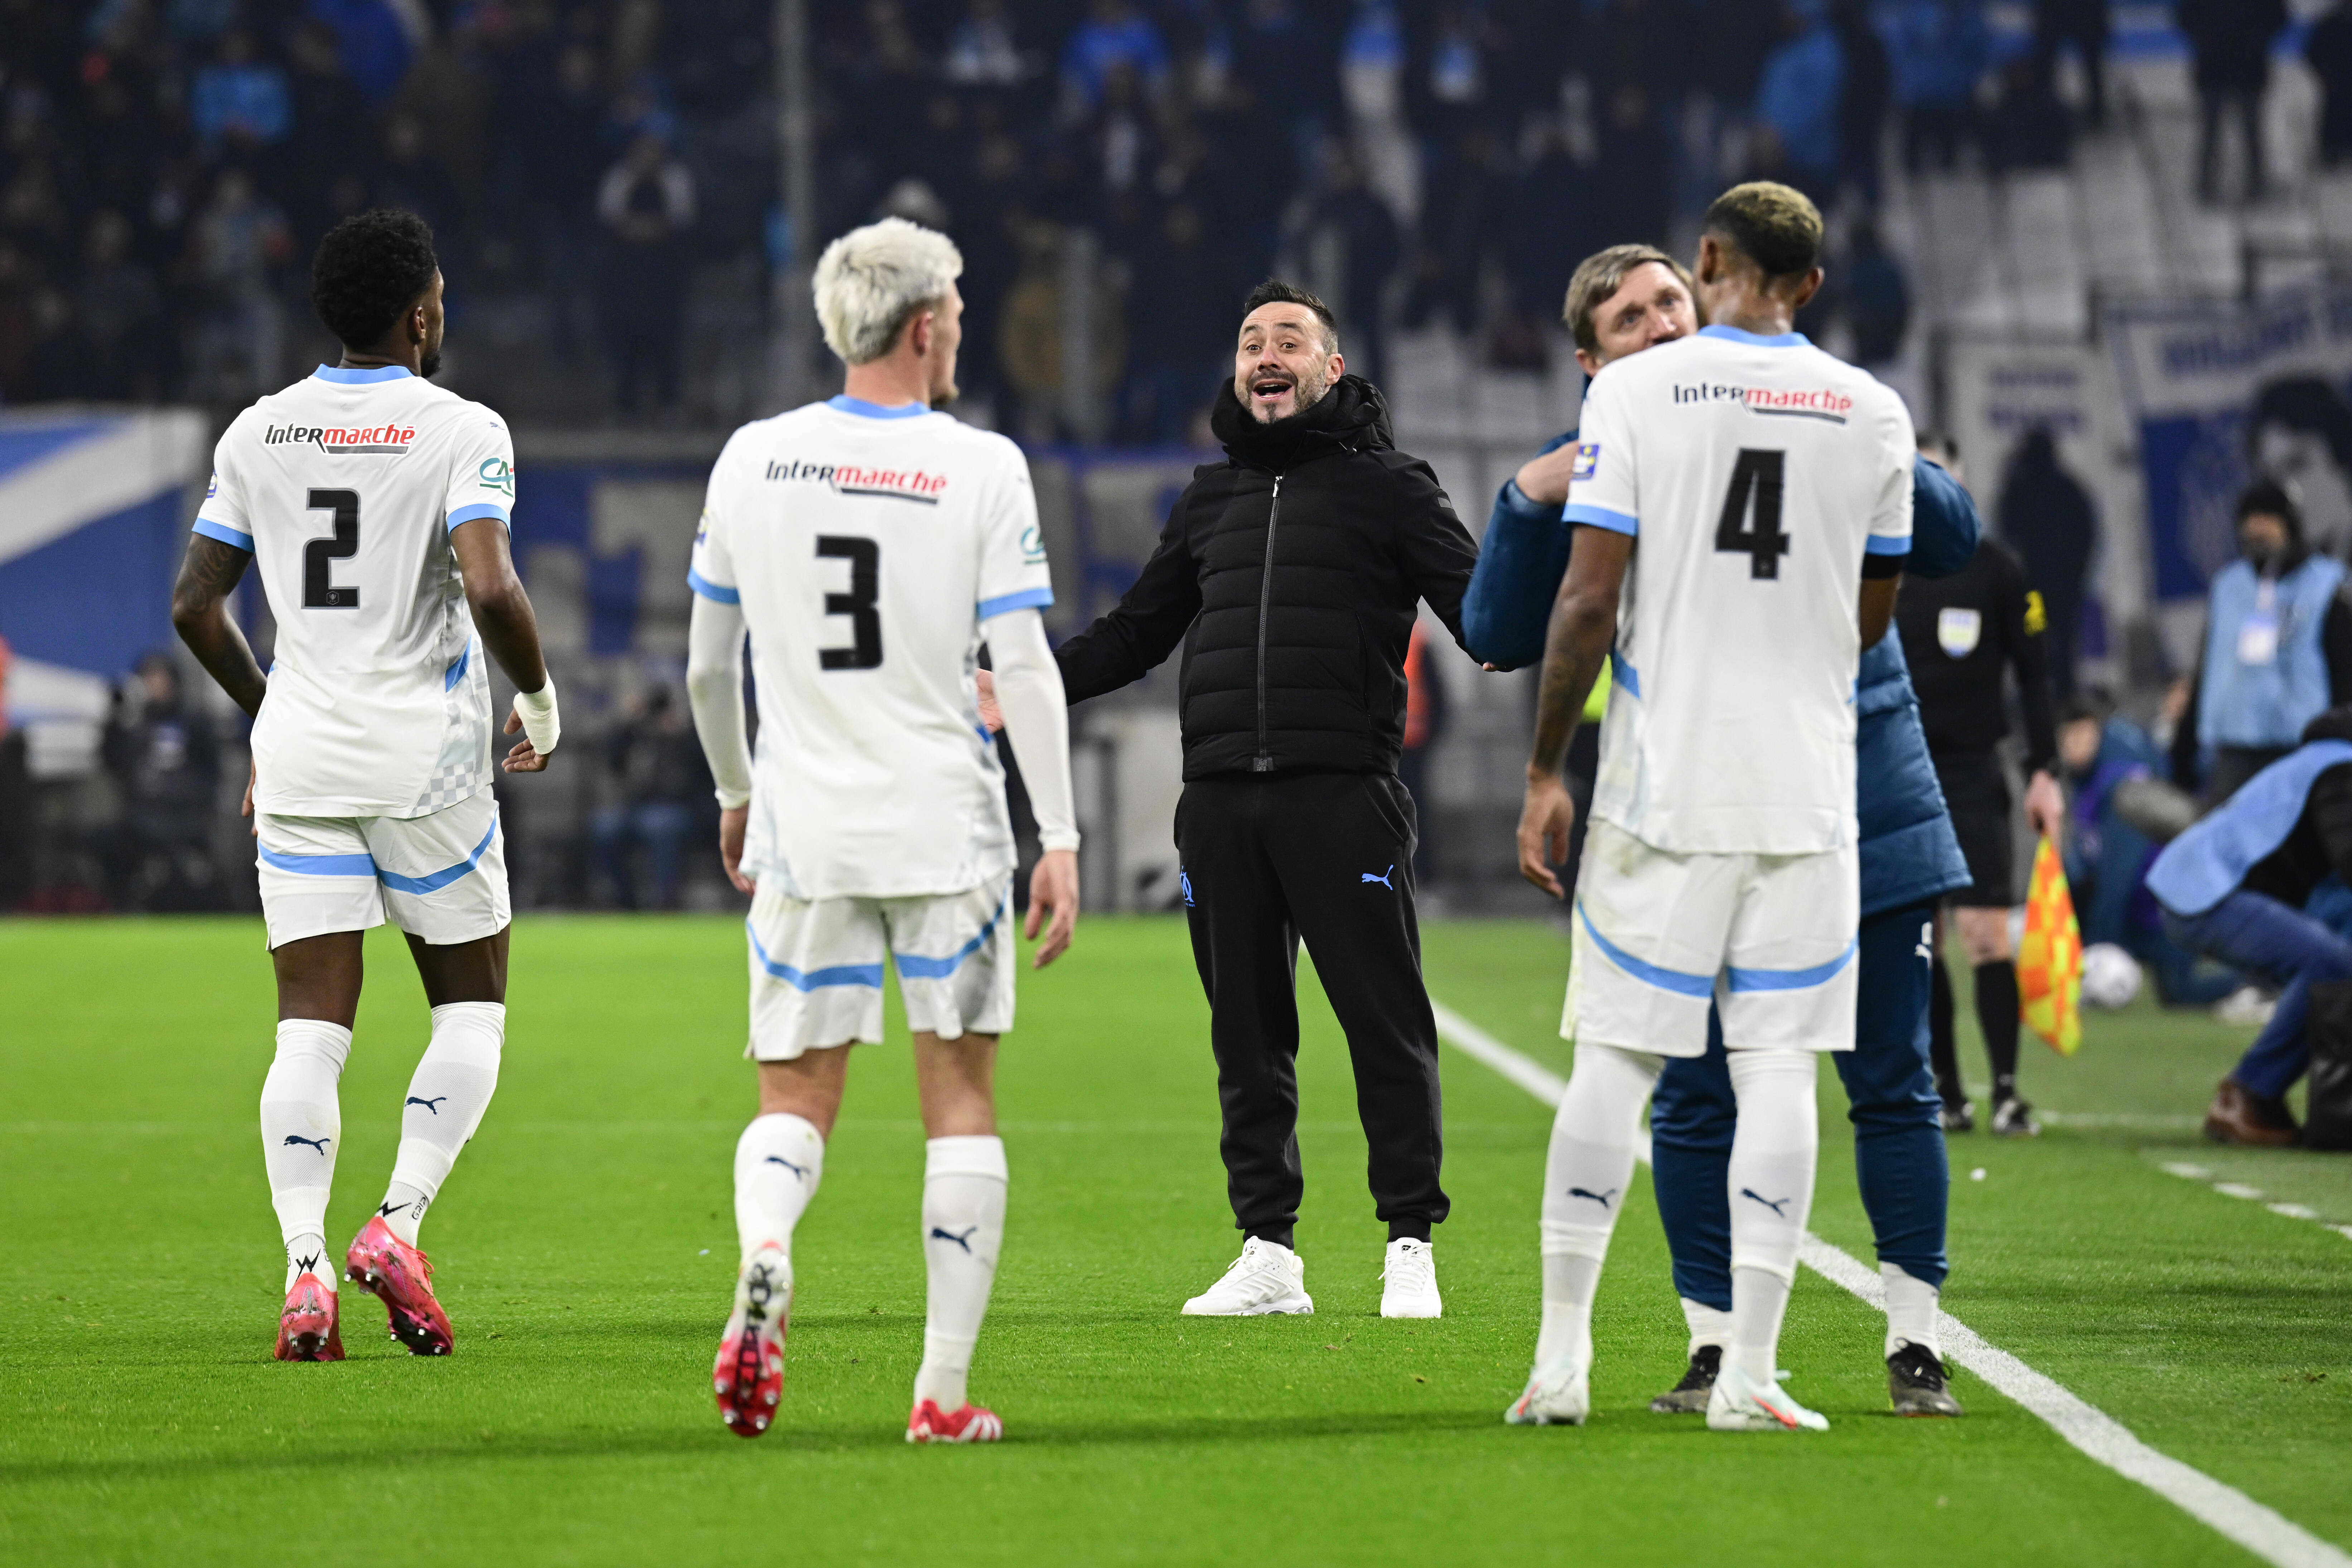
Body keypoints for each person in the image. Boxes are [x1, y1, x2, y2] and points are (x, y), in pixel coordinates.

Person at [1463, 240, 1981, 1420]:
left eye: (1668, 299)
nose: (1657, 321)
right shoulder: (1634, 433)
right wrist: (1530, 487)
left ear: (1709, 291)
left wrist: (1841, 412)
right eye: (1628, 316)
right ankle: (1716, 1347)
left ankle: (1912, 1338)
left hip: (1857, 797)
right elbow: (1496, 626)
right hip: (1723, 796)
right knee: (1699, 1091)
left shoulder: (1823, 407)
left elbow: (1948, 532)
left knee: (1888, 1076)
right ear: (1589, 362)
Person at [988, 279, 1479, 1321]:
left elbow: (1479, 614)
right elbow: (1133, 632)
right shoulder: (1205, 499)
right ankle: (1267, 1251)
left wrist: (1549, 575)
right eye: (1250, 337)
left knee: (1381, 1025)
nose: (1265, 351)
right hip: (1215, 802)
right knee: (1244, 1034)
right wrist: (1020, 681)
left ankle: (1406, 1244)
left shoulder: (1391, 486)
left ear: (1328, 368)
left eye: (1288, 338)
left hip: (1344, 794)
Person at [684, 218, 1080, 1445]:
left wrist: (734, 790)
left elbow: (707, 667)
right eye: (955, 313)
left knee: (794, 1088)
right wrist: (1055, 831)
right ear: (923, 328)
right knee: (956, 1092)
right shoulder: (979, 467)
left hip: (806, 824)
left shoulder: (752, 458)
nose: (958, 330)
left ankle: (763, 1251)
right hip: (942, 829)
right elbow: (1020, 662)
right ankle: (940, 1391)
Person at [169, 208, 561, 1363]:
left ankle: (300, 1271)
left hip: (300, 758)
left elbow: (196, 605)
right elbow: (489, 586)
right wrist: (539, 699)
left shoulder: (258, 432)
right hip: (425, 762)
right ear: (421, 314)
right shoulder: (460, 427)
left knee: (309, 1031)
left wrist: (273, 711)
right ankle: (395, 1224)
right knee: (470, 1007)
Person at [1895, 431, 2064, 1135]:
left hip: (1971, 771)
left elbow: (2033, 677)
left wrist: (2042, 771)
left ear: (1958, 485)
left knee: (1984, 931)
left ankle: (2004, 1089)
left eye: (1940, 476)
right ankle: (1946, 1090)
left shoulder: (1998, 570)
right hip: (1900, 771)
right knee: (1920, 935)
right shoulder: (1879, 563)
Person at [2148, 709, 2352, 1145]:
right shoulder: (2340, 766)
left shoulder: (2321, 757)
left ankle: (2258, 1094)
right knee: (2334, 966)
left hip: (2199, 885)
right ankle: (2248, 1093)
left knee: (2332, 960)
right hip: (2208, 892)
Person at [2173, 482, 2352, 805]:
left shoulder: (2326, 584)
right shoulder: (2229, 586)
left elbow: (2345, 670)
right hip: (2235, 752)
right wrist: (2183, 747)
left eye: (2267, 519)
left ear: (2290, 523)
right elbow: (2207, 670)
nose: (2257, 529)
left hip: (2303, 748)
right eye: (2251, 520)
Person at [98, 651, 224, 912]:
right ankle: (123, 907)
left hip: (185, 815)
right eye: (147, 677)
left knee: (186, 861)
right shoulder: (137, 722)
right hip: (142, 815)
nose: (153, 684)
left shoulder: (194, 722)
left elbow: (212, 773)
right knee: (103, 841)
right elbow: (113, 762)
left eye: (159, 676)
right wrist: (115, 720)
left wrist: (188, 796)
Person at [1997, 427, 2095, 695]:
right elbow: (2087, 535)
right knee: (2056, 640)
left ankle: (2044, 694)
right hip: (2057, 586)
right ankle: (2059, 693)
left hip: (2038, 586)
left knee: (2038, 639)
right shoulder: (2065, 488)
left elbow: (2007, 532)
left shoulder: (2024, 488)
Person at [2178, 0, 2288, 203]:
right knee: (2218, 131)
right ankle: (2212, 184)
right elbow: (2185, 18)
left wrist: (2256, 39)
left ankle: (2251, 182)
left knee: (2246, 131)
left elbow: (2278, 18)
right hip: (2225, 67)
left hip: (2238, 67)